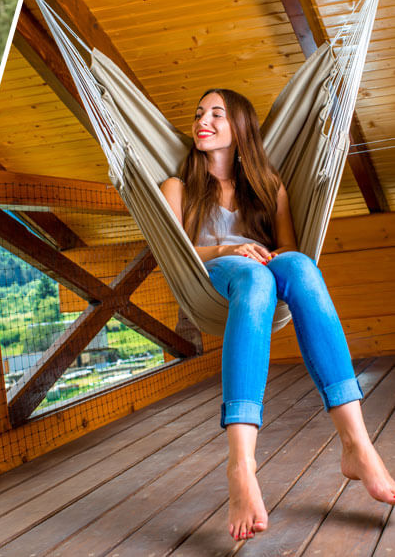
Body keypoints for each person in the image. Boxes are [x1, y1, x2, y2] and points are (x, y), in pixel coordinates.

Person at [160, 89, 395, 541]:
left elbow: (286, 247)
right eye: (198, 114)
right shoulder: (179, 187)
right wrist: (231, 249)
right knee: (254, 279)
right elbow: (178, 251)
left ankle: (356, 444)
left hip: (265, 266)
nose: (202, 121)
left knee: (302, 267)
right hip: (213, 271)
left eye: (216, 114)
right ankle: (241, 465)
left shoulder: (270, 186)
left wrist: (266, 256)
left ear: (241, 128)